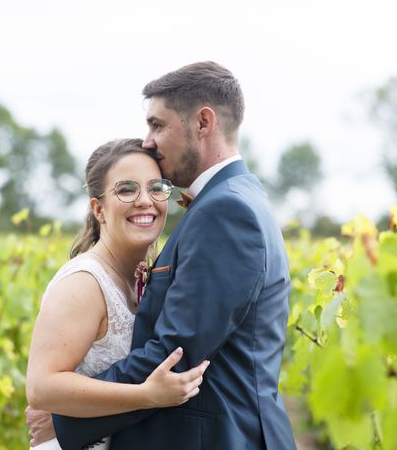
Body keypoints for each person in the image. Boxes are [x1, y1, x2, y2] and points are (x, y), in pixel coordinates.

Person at [50, 62, 297, 449]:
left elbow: (175, 354)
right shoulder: (237, 199)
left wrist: (66, 419)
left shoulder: (225, 212)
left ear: (203, 122)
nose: (147, 141)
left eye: (157, 125)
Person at [25, 138, 210, 450]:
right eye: (126, 189)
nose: (145, 200)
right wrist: (147, 396)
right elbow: (42, 388)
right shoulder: (84, 282)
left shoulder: (141, 274)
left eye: (156, 188)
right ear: (99, 208)